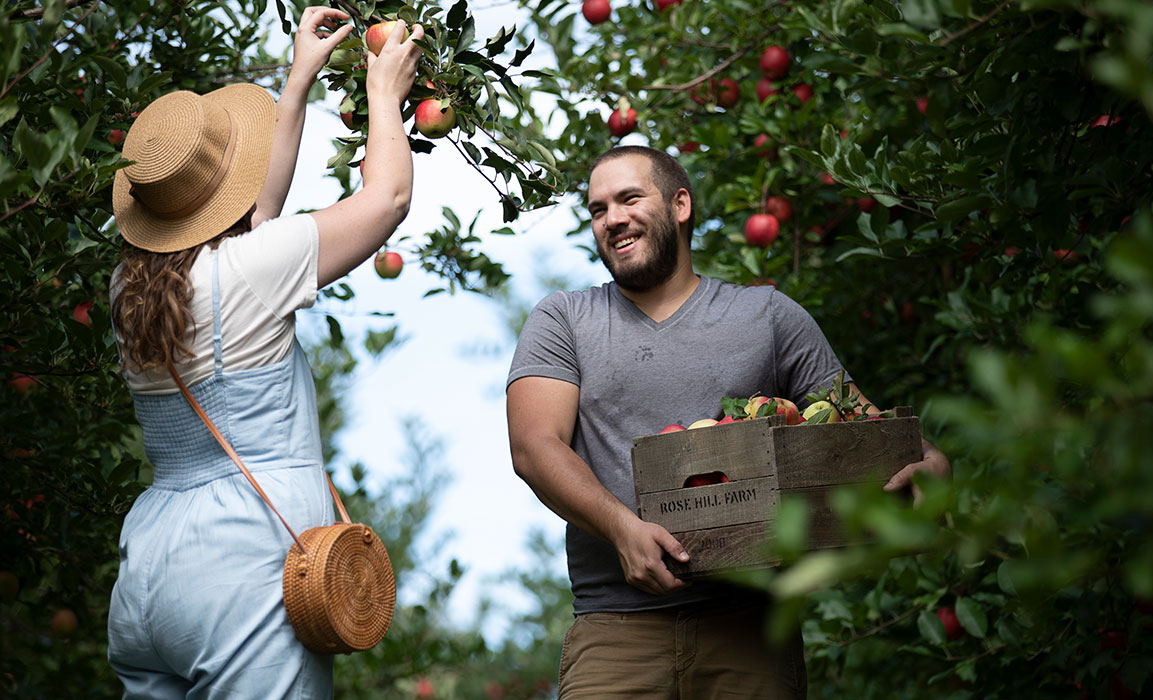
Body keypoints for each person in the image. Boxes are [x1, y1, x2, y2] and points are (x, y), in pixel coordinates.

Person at [505, 145, 951, 698]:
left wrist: (926, 458)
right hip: (616, 627)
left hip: (751, 627)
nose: (611, 218)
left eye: (629, 198)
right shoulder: (565, 318)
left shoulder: (767, 316)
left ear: (681, 204)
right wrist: (623, 530)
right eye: (597, 209)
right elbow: (533, 446)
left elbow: (857, 420)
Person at [105, 8, 423, 698]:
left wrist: (299, 81)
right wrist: (383, 94)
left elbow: (257, 217)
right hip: (246, 560)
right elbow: (388, 196)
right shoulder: (252, 269)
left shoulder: (127, 288)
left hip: (151, 567)